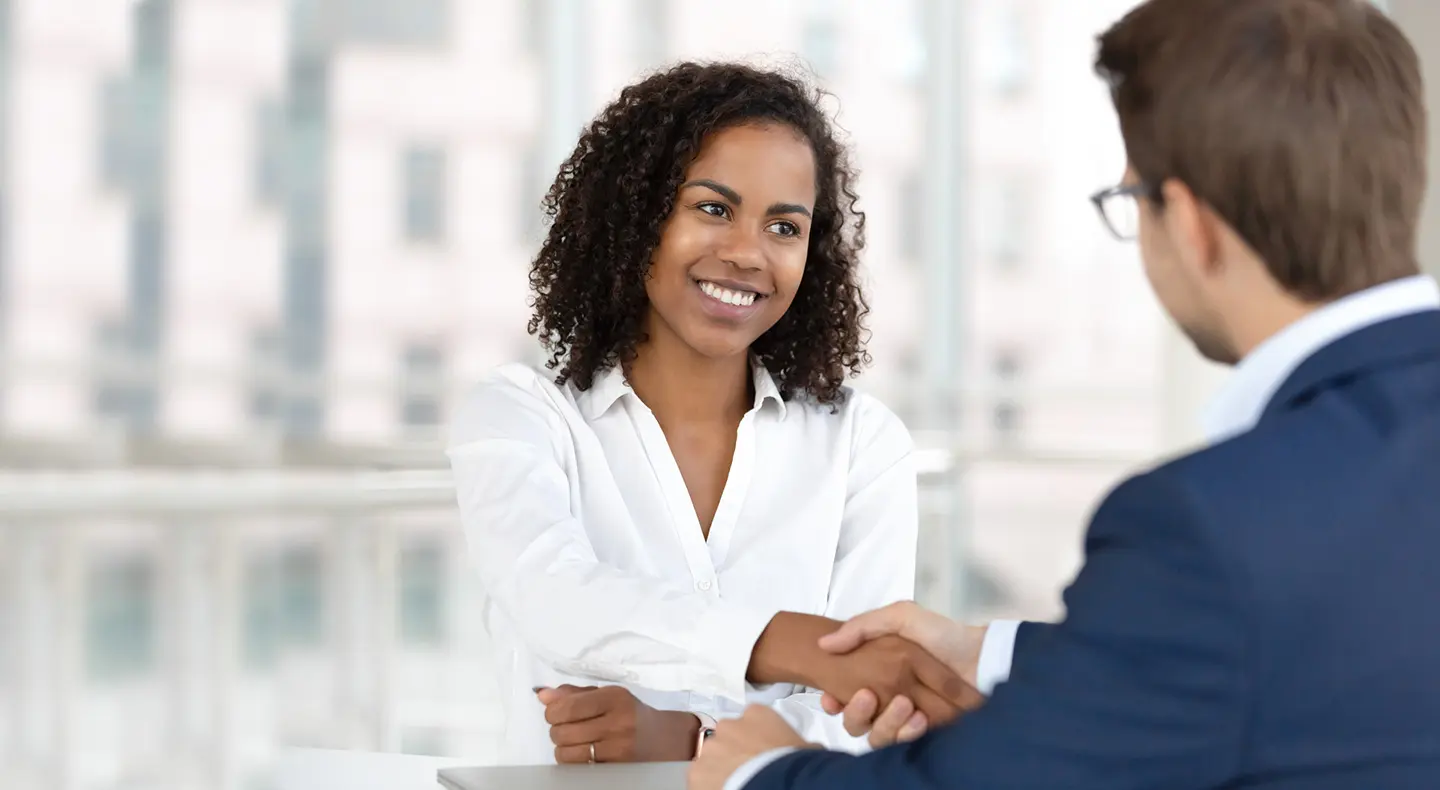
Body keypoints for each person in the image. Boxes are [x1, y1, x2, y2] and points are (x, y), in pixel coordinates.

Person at [690, 0, 1440, 788]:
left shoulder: (1212, 526)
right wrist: (987, 651)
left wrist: (757, 771)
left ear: (1188, 224)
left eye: (1131, 203)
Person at [446, 62, 979, 767]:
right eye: (714, 208)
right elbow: (557, 600)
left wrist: (694, 737)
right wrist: (798, 648)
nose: (746, 254)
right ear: (638, 217)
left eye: (783, 226)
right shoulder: (520, 417)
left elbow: (868, 712)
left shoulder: (860, 443)